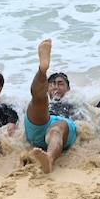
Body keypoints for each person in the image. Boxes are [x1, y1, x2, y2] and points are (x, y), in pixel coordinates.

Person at [24, 39, 84, 173]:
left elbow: (85, 125)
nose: (55, 86)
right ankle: (42, 70)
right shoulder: (46, 99)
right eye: (51, 84)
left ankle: (49, 158)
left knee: (57, 128)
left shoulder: (74, 101)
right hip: (39, 125)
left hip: (62, 129)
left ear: (68, 88)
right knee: (38, 99)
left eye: (60, 83)